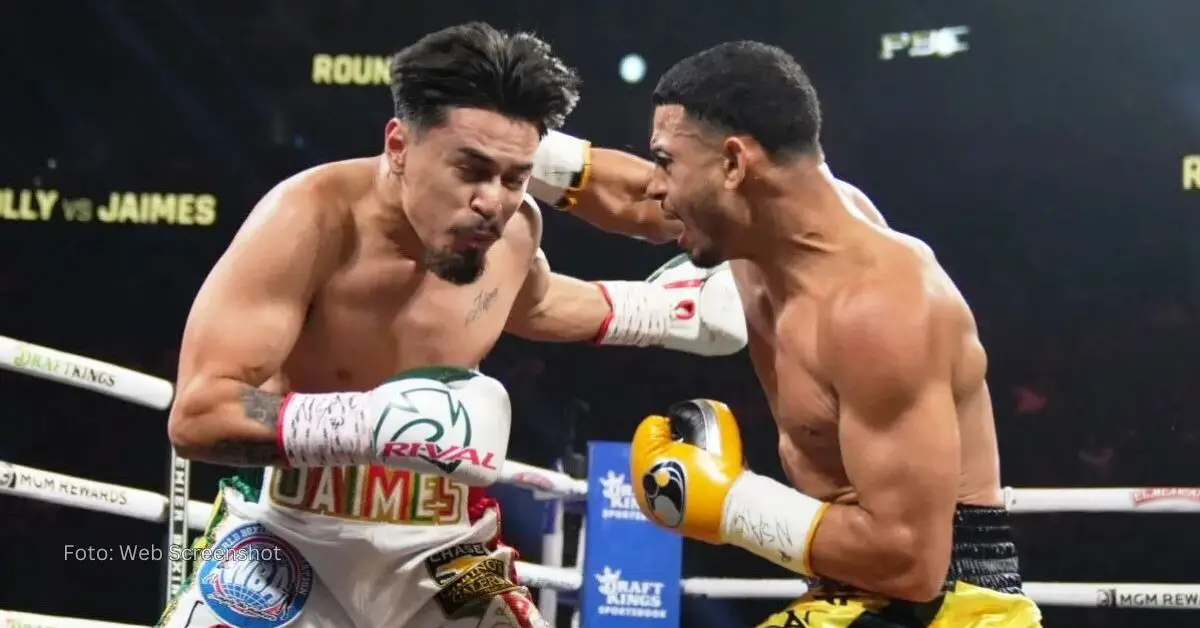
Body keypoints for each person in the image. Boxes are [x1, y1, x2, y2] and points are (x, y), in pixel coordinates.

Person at [158, 23, 745, 628]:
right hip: (292, 529)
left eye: (516, 177)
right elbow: (200, 414)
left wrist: (664, 311)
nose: (493, 201)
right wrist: (374, 424)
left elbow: (537, 303)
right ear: (398, 145)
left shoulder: (515, 233)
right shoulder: (310, 219)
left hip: (450, 546)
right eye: (471, 168)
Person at [547, 41, 1043, 627]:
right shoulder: (759, 225)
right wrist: (504, 146)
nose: (658, 186)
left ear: (733, 164)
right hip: (851, 595)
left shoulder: (878, 307)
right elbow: (632, 198)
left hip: (948, 606)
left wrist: (729, 503)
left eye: (666, 161)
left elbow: (912, 561)